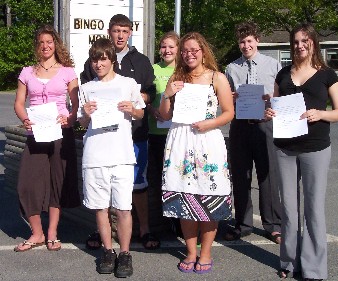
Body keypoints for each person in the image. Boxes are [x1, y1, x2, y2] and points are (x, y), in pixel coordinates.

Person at [265, 23, 338, 280]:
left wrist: (320, 113)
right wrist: (270, 112)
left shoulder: (327, 75)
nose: (300, 46)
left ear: (313, 43)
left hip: (315, 148)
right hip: (285, 148)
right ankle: (289, 262)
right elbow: (275, 105)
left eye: (305, 41)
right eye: (296, 41)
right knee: (289, 209)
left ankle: (313, 268)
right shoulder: (283, 74)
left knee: (313, 208)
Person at [81, 14, 159, 250]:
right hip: (100, 141)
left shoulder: (141, 63)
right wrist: (86, 112)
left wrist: (135, 104)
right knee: (101, 201)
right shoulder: (90, 71)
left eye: (125, 31)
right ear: (110, 32)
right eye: (116, 31)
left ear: (130, 33)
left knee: (137, 186)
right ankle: (104, 238)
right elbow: (84, 110)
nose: (120, 35)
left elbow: (149, 95)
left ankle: (143, 231)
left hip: (132, 136)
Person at [159, 32, 234, 274]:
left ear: (203, 52)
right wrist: (167, 94)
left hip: (207, 142)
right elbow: (165, 115)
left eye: (194, 50)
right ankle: (191, 252)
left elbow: (228, 112)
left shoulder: (217, 78)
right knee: (184, 199)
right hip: (180, 142)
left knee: (208, 197)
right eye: (185, 51)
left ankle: (206, 252)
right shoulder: (177, 77)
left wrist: (209, 124)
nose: (189, 54)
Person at [79, 38, 145, 277]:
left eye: (103, 59)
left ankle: (125, 253)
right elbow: (82, 122)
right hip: (95, 155)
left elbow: (140, 114)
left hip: (122, 155)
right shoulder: (86, 88)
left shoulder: (128, 84)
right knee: (100, 208)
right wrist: (84, 115)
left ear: (112, 60)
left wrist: (132, 109)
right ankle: (108, 251)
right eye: (95, 59)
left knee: (124, 208)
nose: (98, 64)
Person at [13, 24, 80, 252]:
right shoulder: (26, 72)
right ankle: (37, 232)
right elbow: (19, 103)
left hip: (61, 134)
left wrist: (69, 119)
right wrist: (24, 119)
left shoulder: (68, 72)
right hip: (36, 134)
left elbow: (76, 104)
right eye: (41, 42)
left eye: (49, 42)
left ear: (56, 44)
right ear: (37, 46)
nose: (45, 46)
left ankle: (52, 232)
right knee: (26, 183)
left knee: (57, 183)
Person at [224, 21, 282, 243]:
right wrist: (232, 98)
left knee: (268, 175)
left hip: (265, 125)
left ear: (257, 40)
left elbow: (280, 96)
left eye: (249, 40)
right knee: (240, 175)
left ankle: (273, 224)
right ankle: (243, 223)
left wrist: (272, 105)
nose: (245, 45)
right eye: (241, 41)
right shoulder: (232, 68)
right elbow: (225, 99)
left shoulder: (273, 65)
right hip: (240, 126)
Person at [147, 31, 181, 236]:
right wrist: (152, 110)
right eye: (163, 46)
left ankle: (180, 223)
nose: (167, 50)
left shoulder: (185, 70)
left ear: (178, 49)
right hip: (156, 132)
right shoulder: (152, 69)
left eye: (171, 47)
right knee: (158, 180)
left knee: (177, 179)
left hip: (178, 134)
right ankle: (161, 223)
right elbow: (147, 98)